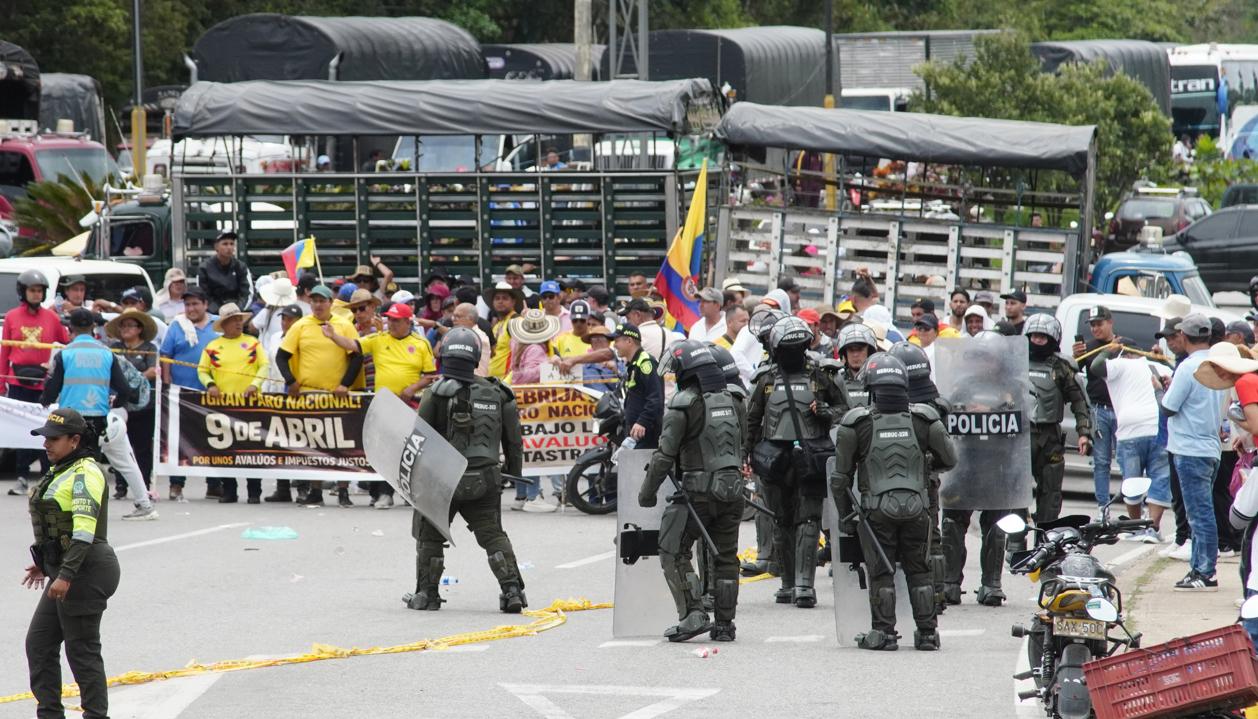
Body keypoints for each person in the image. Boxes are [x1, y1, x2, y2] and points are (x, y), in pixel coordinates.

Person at [832, 353, 956, 651]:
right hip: (918, 507)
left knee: (881, 572)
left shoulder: (857, 423)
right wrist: (925, 467)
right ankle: (928, 634)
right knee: (920, 571)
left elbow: (840, 479)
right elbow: (949, 459)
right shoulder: (925, 419)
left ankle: (884, 634)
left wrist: (845, 516)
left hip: (876, 511)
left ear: (872, 387)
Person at [405, 328, 528, 613]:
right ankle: (512, 593)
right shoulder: (500, 393)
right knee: (493, 535)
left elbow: (418, 437)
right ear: (475, 358)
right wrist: (512, 473)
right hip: (484, 479)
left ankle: (426, 594)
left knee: (430, 536)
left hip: (441, 480)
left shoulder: (435, 393)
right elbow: (514, 442)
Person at [640, 341, 744, 642]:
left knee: (673, 549)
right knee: (726, 557)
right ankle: (725, 624)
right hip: (732, 492)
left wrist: (647, 493)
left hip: (696, 494)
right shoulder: (736, 400)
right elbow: (742, 445)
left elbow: (663, 456)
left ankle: (693, 614)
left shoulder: (683, 404)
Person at [23, 408, 122, 719]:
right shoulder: (62, 469)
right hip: (67, 569)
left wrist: (64, 574)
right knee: (39, 643)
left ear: (75, 440)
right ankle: (50, 714)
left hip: (86, 570)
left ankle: (95, 715)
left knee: (82, 651)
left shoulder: (85, 473)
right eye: (45, 438)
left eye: (54, 439)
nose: (46, 444)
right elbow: (56, 524)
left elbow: (83, 531)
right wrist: (45, 562)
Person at [746, 316, 849, 608]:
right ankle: (787, 583)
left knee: (808, 519)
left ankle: (805, 585)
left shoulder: (823, 375)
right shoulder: (765, 378)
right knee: (781, 519)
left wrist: (826, 411)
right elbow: (752, 420)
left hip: (811, 455)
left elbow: (845, 410)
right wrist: (747, 454)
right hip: (773, 459)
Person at [332, 301, 436, 509]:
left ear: (408, 322)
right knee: (388, 451)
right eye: (390, 319)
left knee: (410, 451)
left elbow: (430, 375)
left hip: (410, 404)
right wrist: (333, 336)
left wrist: (411, 388)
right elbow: (353, 345)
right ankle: (385, 494)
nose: (392, 324)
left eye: (396, 320)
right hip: (385, 405)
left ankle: (409, 493)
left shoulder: (420, 344)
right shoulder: (378, 339)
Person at [275, 285, 363, 507]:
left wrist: (345, 384)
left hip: (337, 395)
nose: (317, 305)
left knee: (341, 443)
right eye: (314, 301)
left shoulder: (343, 325)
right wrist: (291, 382)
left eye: (322, 301)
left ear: (330, 303)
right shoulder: (300, 326)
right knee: (313, 443)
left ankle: (343, 489)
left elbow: (356, 356)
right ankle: (315, 490)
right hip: (309, 393)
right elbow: (281, 356)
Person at [1161, 314, 1225, 591]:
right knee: (1202, 510)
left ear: (1184, 337)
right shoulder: (1218, 364)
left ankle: (1205, 571)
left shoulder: (1187, 368)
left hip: (1189, 448)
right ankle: (1199, 567)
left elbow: (1169, 407)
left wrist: (1163, 391)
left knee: (1199, 514)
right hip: (1211, 446)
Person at [1091, 341, 1173, 542]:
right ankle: (1152, 528)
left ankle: (1136, 527)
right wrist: (1157, 357)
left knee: (1132, 480)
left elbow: (1095, 367)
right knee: (1160, 478)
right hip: (1157, 427)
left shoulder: (1120, 364)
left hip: (1130, 430)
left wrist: (1106, 351)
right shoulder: (1158, 366)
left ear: (1124, 354)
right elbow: (1173, 376)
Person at [2, 269, 69, 496]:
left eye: (39, 290)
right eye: (32, 290)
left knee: (47, 430)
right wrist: (2, 383)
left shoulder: (52, 317)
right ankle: (21, 476)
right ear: (24, 292)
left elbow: (66, 343)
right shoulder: (12, 316)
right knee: (23, 430)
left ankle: (46, 475)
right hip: (18, 381)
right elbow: (5, 351)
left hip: (43, 383)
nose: (36, 294)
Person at [197, 303, 269, 504]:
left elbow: (264, 366)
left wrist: (255, 385)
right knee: (225, 450)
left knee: (252, 450)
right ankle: (229, 490)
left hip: (250, 405)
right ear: (225, 324)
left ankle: (254, 491)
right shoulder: (213, 347)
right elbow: (202, 370)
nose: (238, 323)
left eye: (240, 319)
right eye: (234, 320)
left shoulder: (253, 343)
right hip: (223, 405)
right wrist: (210, 384)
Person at [1024, 314, 1092, 523]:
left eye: (1042, 337)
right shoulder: (1014, 362)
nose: (1037, 340)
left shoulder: (1062, 366)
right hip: (1018, 435)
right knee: (1015, 494)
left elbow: (1079, 401)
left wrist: (1084, 433)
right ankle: (1017, 546)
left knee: (1051, 493)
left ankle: (1045, 541)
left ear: (1052, 340)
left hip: (1049, 438)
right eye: (1034, 336)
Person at [160, 286, 221, 501]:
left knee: (213, 439)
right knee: (179, 441)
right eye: (187, 304)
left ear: (205, 304)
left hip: (212, 392)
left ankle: (214, 484)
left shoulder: (218, 324)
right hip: (182, 394)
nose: (191, 308)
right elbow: (165, 356)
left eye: (195, 304)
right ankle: (176, 485)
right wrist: (167, 386)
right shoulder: (177, 325)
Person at [104, 308, 160, 507]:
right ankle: (121, 486)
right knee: (118, 445)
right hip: (120, 405)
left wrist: (134, 381)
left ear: (139, 329)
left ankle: (143, 485)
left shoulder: (149, 348)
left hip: (144, 405)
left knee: (142, 447)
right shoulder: (114, 347)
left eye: (130, 325)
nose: (126, 329)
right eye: (123, 325)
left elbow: (154, 370)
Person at [1072, 306, 1120, 510]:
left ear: (1110, 322)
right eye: (1092, 325)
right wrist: (1075, 357)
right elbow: (1072, 373)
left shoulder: (1122, 346)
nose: (1095, 329)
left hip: (1121, 409)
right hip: (1098, 409)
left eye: (1099, 324)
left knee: (1127, 462)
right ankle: (1103, 508)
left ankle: (1134, 506)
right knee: (1101, 462)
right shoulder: (1088, 348)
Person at [612, 322, 664, 450]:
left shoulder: (646, 362)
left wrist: (642, 422)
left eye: (617, 340)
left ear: (629, 341)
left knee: (643, 469)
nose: (614, 345)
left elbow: (656, 398)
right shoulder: (634, 364)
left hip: (646, 431)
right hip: (637, 431)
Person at [197, 230, 252, 313]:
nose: (229, 247)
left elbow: (247, 293)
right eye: (225, 244)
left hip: (238, 313)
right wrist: (219, 311)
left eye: (232, 243)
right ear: (216, 247)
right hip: (214, 315)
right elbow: (203, 295)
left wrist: (237, 309)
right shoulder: (204, 268)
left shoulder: (241, 267)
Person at [485, 281, 524, 379]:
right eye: (497, 298)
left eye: (505, 298)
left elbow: (521, 349)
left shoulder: (516, 321)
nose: (500, 301)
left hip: (507, 382)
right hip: (494, 381)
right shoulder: (496, 325)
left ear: (513, 301)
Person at [836, 323, 878, 407]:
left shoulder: (879, 378)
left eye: (860, 349)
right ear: (844, 354)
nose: (855, 355)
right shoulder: (836, 380)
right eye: (851, 350)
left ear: (869, 352)